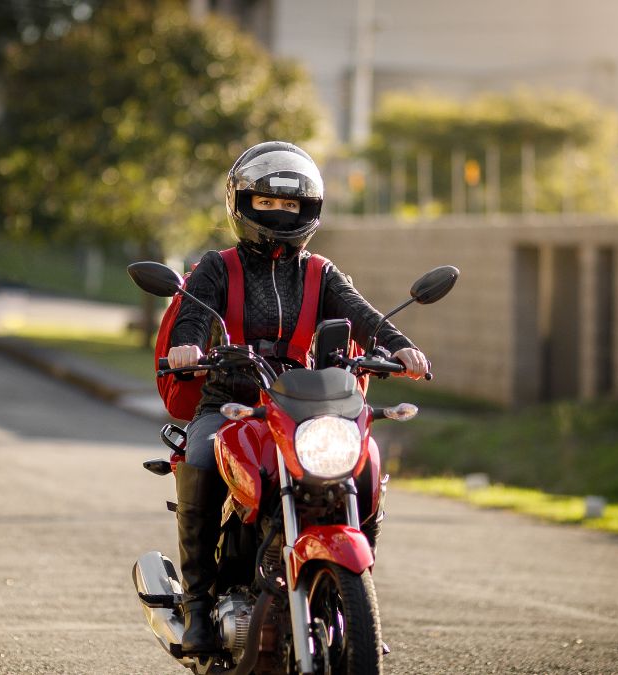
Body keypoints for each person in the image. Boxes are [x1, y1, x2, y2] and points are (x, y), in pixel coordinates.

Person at [166, 141, 429, 654]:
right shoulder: (217, 268)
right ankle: (198, 606)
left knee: (363, 462)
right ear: (243, 204)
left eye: (291, 204)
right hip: (228, 403)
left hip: (298, 404)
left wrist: (401, 346)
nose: (279, 213)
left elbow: (364, 315)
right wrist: (188, 346)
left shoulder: (321, 272)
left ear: (308, 210)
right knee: (198, 456)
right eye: (267, 202)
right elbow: (194, 315)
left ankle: (357, 607)